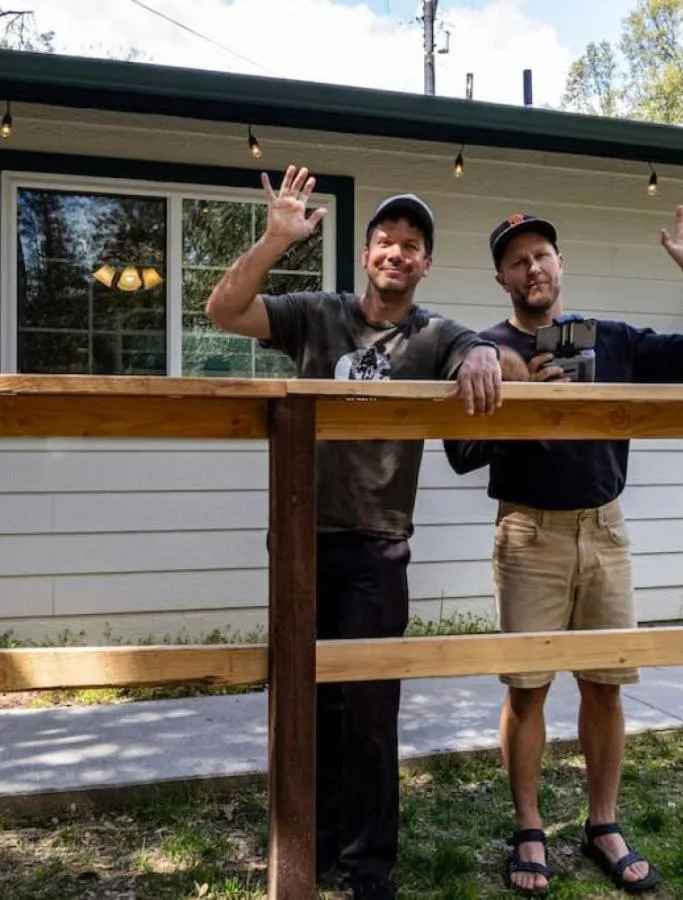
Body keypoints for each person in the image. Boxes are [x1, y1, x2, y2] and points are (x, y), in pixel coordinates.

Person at [205, 164, 505, 899]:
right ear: (366, 253)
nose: (397, 252)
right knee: (303, 704)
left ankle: (369, 866)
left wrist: (483, 355)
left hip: (378, 546)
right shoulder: (317, 314)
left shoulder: (434, 333)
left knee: (371, 711)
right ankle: (307, 844)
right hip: (301, 541)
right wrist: (276, 240)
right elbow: (224, 309)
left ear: (425, 264)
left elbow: (478, 350)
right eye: (385, 240)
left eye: (411, 245)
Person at [443, 203, 683, 895]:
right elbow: (460, 453)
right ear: (501, 278)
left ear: (560, 263)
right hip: (528, 534)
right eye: (517, 261)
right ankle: (528, 828)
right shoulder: (484, 350)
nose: (532, 268)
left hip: (605, 530)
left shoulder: (613, 340)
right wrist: (518, 405)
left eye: (541, 255)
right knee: (527, 689)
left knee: (605, 684)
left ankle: (603, 824)